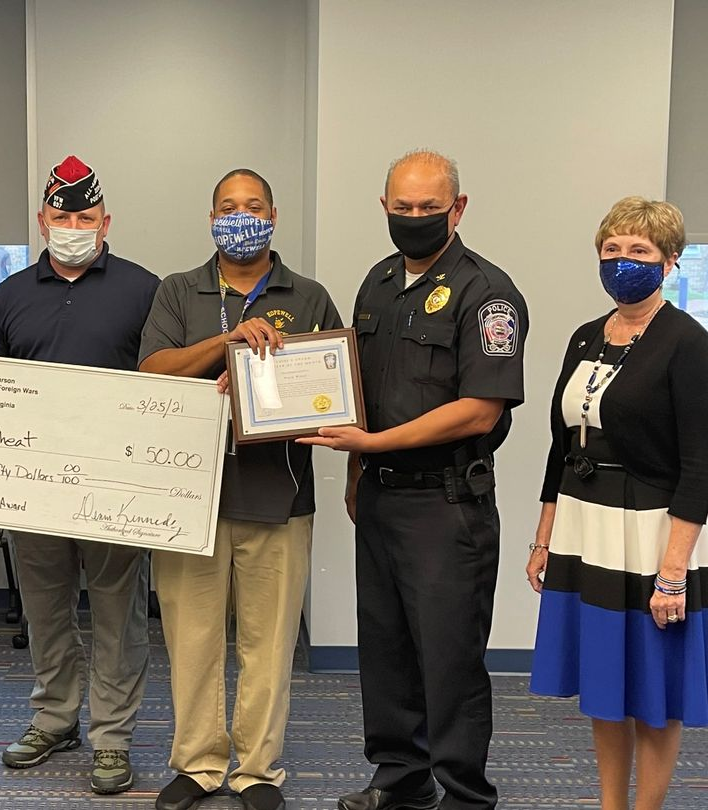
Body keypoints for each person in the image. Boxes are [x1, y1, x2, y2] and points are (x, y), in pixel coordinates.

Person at [301, 150, 528, 810]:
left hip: (446, 503)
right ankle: (400, 777)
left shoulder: (487, 294)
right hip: (380, 497)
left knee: (449, 658)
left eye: (430, 208)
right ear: (384, 208)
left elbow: (479, 407)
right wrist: (356, 468)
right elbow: (358, 391)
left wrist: (372, 445)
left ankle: (463, 792)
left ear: (458, 209)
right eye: (403, 207)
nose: (416, 218)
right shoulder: (376, 283)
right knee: (387, 647)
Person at [139, 168, 342, 810]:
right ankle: (198, 764)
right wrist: (225, 345)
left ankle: (257, 770)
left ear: (274, 216)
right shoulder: (178, 291)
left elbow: (334, 394)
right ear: (210, 218)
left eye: (253, 205)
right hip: (187, 500)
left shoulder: (308, 296)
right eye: (228, 206)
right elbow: (152, 370)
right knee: (192, 640)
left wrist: (274, 378)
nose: (241, 215)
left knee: (269, 642)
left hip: (278, 499)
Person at [0, 155, 159, 795]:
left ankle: (112, 737)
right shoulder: (10, 294)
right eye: (61, 216)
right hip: (33, 491)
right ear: (42, 220)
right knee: (45, 609)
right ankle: (53, 718)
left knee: (118, 615)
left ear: (106, 222)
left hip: (116, 489)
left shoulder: (145, 289)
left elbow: (167, 382)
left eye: (84, 217)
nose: (72, 226)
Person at [527, 197, 708, 810]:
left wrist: (675, 574)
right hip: (586, 525)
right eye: (613, 249)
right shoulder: (585, 337)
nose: (622, 261)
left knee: (653, 692)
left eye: (639, 251)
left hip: (654, 532)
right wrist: (544, 537)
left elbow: (700, 465)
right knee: (605, 682)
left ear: (670, 262)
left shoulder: (687, 343)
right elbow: (561, 445)